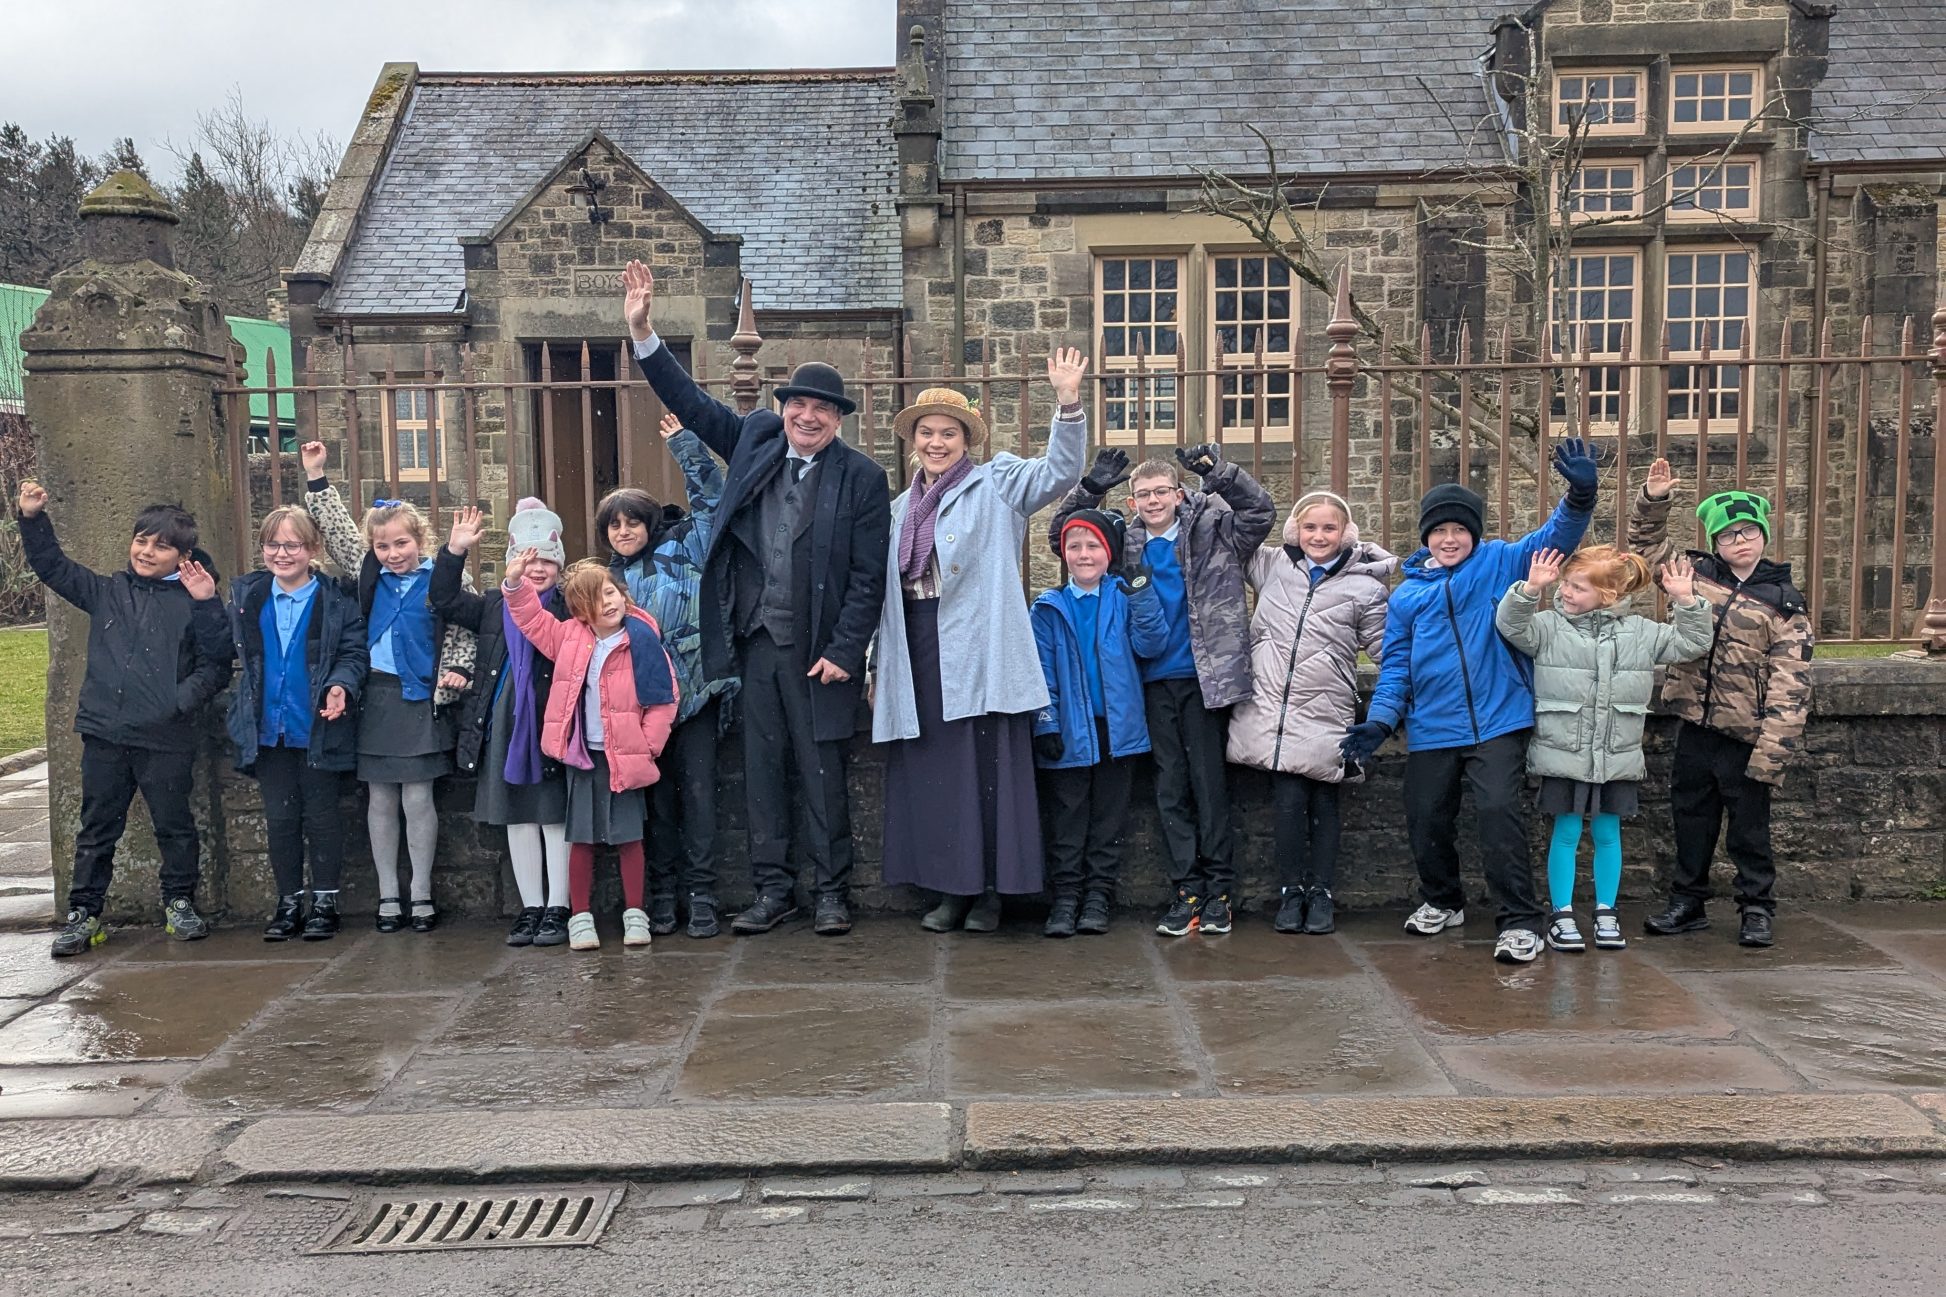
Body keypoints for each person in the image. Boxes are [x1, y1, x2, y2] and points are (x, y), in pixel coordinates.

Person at [620, 260, 890, 937]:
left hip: (819, 649)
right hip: (758, 641)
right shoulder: (756, 440)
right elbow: (693, 401)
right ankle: (774, 890)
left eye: (822, 410)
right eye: (798, 405)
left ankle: (832, 891)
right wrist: (644, 334)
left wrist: (845, 650)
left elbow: (867, 575)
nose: (807, 416)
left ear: (837, 420)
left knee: (822, 769)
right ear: (782, 410)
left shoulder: (861, 479)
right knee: (764, 772)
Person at [1341, 439, 1600, 965]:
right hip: (1433, 724)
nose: (1450, 538)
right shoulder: (1408, 595)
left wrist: (1579, 496)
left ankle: (1521, 921)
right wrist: (1379, 722)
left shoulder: (1502, 561)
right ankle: (1444, 900)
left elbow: (1558, 538)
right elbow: (1396, 666)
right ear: (1426, 536)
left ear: (1474, 534)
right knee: (1425, 816)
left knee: (1498, 813)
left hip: (1497, 718)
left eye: (1459, 529)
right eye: (1440, 530)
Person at [871, 352, 1090, 932]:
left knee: (987, 769)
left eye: (949, 433)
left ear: (966, 439)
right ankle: (950, 890)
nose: (937, 442)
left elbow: (1060, 473)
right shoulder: (897, 510)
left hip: (981, 650)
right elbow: (884, 594)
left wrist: (1068, 403)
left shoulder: (999, 482)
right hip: (916, 650)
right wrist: (875, 665)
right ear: (913, 441)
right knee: (936, 776)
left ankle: (992, 893)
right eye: (927, 432)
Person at [1053, 443, 1276, 937]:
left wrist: (1219, 474)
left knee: (1209, 785)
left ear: (1178, 495)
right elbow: (1063, 536)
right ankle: (1186, 889)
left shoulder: (1215, 529)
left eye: (1161, 492)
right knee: (1169, 788)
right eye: (1142, 494)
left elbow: (1260, 513)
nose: (1152, 501)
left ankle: (1220, 889)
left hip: (1206, 676)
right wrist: (1092, 486)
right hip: (1149, 679)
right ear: (1131, 503)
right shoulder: (1125, 542)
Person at [19, 482, 234, 956]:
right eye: (141, 540)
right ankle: (84, 913)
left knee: (174, 825)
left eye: (160, 545)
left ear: (182, 555)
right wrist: (33, 519)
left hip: (166, 735)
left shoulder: (196, 598)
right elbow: (52, 567)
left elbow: (218, 661)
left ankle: (179, 902)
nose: (146, 551)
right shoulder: (108, 591)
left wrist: (179, 699)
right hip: (106, 732)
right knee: (97, 828)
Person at [1627, 460, 1813, 947]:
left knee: (1749, 830)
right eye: (1728, 535)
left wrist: (1773, 750)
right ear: (1715, 542)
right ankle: (1688, 902)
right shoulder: (1695, 575)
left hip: (1746, 735)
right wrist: (1654, 498)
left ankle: (1756, 906)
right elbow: (1644, 551)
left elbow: (1791, 683)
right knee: (1691, 820)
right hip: (1695, 726)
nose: (1740, 541)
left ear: (1764, 535)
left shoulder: (1783, 600)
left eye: (1749, 531)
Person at [1495, 544, 1712, 951]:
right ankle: (1561, 913)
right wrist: (1529, 589)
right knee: (1567, 832)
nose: (1566, 593)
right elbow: (1511, 626)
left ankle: (1606, 911)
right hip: (1565, 752)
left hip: (1618, 755)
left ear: (1608, 595)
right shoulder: (1548, 627)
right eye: (1565, 585)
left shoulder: (1642, 633)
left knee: (1609, 833)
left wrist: (1686, 600)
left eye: (1578, 587)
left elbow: (1692, 643)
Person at [300, 440, 478, 934]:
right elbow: (335, 532)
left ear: (419, 539)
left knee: (418, 799)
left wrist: (458, 672)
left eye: (401, 543)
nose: (392, 553)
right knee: (379, 799)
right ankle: (388, 895)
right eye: (382, 546)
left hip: (421, 699)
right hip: (375, 698)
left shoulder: (445, 578)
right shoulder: (368, 574)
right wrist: (317, 477)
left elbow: (466, 631)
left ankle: (421, 892)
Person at [1225, 491, 1395, 936]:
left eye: (1329, 528)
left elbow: (1385, 651)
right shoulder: (1271, 565)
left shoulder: (1366, 587)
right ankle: (1290, 891)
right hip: (1273, 712)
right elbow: (1233, 537)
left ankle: (1321, 891)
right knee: (1286, 803)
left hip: (1328, 709)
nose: (1319, 536)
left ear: (1345, 533)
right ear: (1295, 530)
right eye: (1311, 527)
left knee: (1324, 804)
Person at [599, 413, 739, 940]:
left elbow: (711, 499)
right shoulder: (607, 578)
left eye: (633, 521)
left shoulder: (685, 550)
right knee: (656, 804)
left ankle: (702, 893)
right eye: (614, 525)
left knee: (700, 795)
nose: (625, 531)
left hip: (697, 691)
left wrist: (685, 446)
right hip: (641, 707)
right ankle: (662, 894)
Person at [501, 550, 678, 952]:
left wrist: (647, 746)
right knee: (581, 839)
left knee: (630, 839)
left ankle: (636, 913)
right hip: (584, 756)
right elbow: (531, 621)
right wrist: (515, 584)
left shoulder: (643, 640)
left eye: (612, 592)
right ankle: (580, 917)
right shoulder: (569, 638)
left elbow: (665, 699)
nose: (610, 602)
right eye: (599, 598)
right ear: (581, 610)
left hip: (627, 757)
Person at [432, 499, 576, 948]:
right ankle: (531, 906)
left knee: (555, 818)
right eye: (528, 560)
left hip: (552, 725)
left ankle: (560, 906)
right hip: (505, 724)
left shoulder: (571, 606)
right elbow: (444, 600)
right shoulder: (495, 604)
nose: (537, 569)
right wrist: (454, 553)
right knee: (518, 819)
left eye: (547, 561)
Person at [226, 507, 369, 942]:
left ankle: (325, 901)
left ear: (312, 549)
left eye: (292, 545)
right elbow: (228, 652)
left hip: (318, 729)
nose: (282, 553)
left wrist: (341, 686)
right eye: (273, 544)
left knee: (323, 818)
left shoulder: (335, 601)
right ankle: (289, 901)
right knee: (280, 820)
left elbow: (352, 654)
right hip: (268, 730)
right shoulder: (248, 598)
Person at [1030, 507, 1169, 937]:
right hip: (1070, 728)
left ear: (1108, 553)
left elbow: (1152, 644)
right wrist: (1045, 724)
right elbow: (1041, 672)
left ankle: (1097, 897)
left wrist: (1143, 596)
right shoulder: (1048, 607)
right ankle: (1066, 896)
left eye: (1093, 546)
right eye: (1075, 547)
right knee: (1068, 818)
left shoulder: (1124, 596)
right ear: (1064, 554)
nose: (1084, 555)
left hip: (1117, 729)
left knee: (1109, 819)